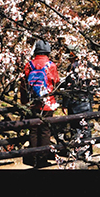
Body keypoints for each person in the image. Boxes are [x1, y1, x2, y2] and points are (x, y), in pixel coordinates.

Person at [21, 39, 60, 168]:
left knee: (33, 130)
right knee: (45, 130)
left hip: (32, 103)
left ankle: (33, 157)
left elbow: (23, 84)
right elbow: (56, 82)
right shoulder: (51, 65)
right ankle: (42, 159)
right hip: (47, 103)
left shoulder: (29, 65)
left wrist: (24, 102)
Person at [62, 46, 94, 153]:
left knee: (76, 128)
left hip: (75, 101)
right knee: (86, 128)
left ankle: (78, 151)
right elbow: (91, 86)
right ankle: (87, 151)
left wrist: (65, 104)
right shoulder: (89, 66)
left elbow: (69, 87)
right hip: (86, 101)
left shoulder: (72, 68)